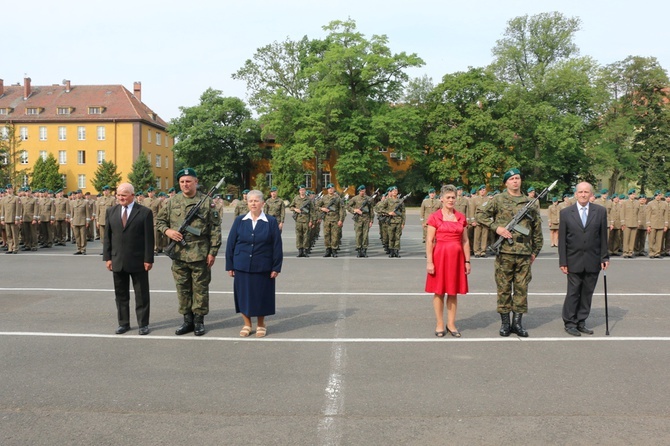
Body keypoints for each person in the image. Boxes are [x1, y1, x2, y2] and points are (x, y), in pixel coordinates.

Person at [476, 168, 543, 337]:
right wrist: (496, 228)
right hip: (504, 253)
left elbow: (537, 230)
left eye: (518, 178)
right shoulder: (498, 200)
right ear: (506, 182)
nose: (515, 181)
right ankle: (505, 323)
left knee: (521, 289)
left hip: (524, 254)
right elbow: (480, 214)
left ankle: (517, 323)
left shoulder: (531, 203)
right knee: (504, 289)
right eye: (512, 178)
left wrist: (535, 251)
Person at [156, 168, 221, 336]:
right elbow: (159, 221)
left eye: (188, 181)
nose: (185, 184)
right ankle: (187, 321)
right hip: (178, 253)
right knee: (182, 288)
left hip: (200, 252)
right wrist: (168, 231)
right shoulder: (172, 201)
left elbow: (215, 229)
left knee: (200, 288)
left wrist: (213, 252)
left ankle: (199, 321)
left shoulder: (206, 202)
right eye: (182, 182)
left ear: (196, 182)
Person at [226, 190, 283, 338]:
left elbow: (277, 246)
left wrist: (276, 267)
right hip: (242, 264)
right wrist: (230, 265)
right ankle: (246, 324)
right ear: (247, 203)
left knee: (261, 296)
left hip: (263, 265)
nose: (253, 203)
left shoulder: (270, 221)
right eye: (251, 201)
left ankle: (260, 324)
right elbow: (231, 243)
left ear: (263, 203)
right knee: (243, 295)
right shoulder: (240, 220)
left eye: (256, 201)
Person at [103, 183, 154, 335]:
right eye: (118, 194)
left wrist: (148, 259)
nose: (121, 197)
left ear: (133, 195)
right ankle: (123, 323)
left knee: (141, 295)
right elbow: (107, 237)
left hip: (138, 260)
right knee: (121, 294)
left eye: (124, 195)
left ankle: (143, 324)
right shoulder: (111, 211)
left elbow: (149, 239)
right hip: (117, 260)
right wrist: (108, 257)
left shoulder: (144, 212)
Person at [559, 182, 609, 336]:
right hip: (573, 259)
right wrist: (563, 261)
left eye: (586, 192)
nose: (583, 194)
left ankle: (581, 321)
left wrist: (604, 257)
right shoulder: (566, 212)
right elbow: (562, 240)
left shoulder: (600, 211)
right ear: (576, 194)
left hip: (593, 259)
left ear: (591, 194)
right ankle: (570, 322)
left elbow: (602, 237)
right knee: (573, 292)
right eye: (580, 192)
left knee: (587, 292)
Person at [425, 185, 471, 337]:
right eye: (448, 197)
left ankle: (451, 323)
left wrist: (467, 261)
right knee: (439, 292)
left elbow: (465, 241)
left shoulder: (461, 217)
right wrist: (429, 262)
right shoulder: (435, 217)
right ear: (441, 199)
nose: (451, 200)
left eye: (453, 197)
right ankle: (439, 323)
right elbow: (430, 241)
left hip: (457, 259)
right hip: (440, 257)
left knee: (453, 291)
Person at [347, 185, 375, 257]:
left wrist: (371, 220)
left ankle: (364, 250)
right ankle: (359, 250)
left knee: (365, 235)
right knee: (358, 235)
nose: (363, 192)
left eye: (364, 191)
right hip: (358, 219)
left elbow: (371, 210)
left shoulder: (369, 199)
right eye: (361, 191)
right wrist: (354, 210)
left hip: (366, 218)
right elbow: (347, 206)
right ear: (359, 191)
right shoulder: (355, 199)